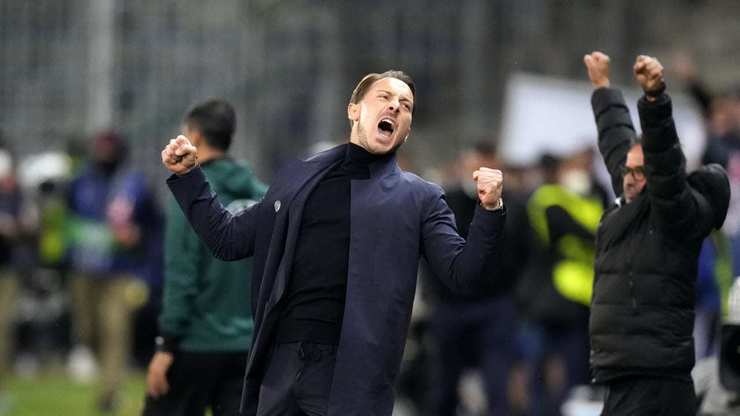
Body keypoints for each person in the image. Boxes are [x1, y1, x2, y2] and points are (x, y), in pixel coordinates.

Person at [161, 70, 506, 416]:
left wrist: (489, 210)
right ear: (354, 110)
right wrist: (190, 177)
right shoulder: (297, 180)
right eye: (384, 98)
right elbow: (228, 239)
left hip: (353, 377)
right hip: (282, 366)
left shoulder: (420, 198)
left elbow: (461, 273)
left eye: (405, 106)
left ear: (407, 129)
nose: (395, 107)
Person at [583, 51, 731, 415]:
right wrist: (603, 88)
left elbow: (663, 156)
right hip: (626, 372)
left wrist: (654, 100)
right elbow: (618, 141)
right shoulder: (634, 197)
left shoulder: (673, 215)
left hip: (652, 377)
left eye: (640, 172)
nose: (628, 177)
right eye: (628, 170)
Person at [143, 99, 266, 415]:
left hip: (196, 342)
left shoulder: (190, 193)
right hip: (249, 346)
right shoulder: (264, 195)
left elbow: (182, 272)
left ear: (194, 136)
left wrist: (166, 344)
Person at [423, 141, 529, 416]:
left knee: (497, 385)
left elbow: (522, 252)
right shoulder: (444, 200)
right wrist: (436, 295)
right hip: (450, 304)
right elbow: (432, 252)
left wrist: (512, 294)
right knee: (444, 385)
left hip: (495, 303)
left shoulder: (514, 205)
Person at [66, 130, 163, 412]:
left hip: (121, 271)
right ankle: (102, 371)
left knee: (115, 330)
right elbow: (68, 218)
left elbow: (154, 226)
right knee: (88, 330)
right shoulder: (79, 182)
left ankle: (109, 392)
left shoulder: (135, 184)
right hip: (84, 269)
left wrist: (139, 240)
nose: (105, 154)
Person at [519, 149, 606, 416]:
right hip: (548, 295)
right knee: (541, 364)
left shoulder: (592, 197)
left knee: (576, 367)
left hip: (582, 298)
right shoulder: (550, 197)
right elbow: (574, 228)